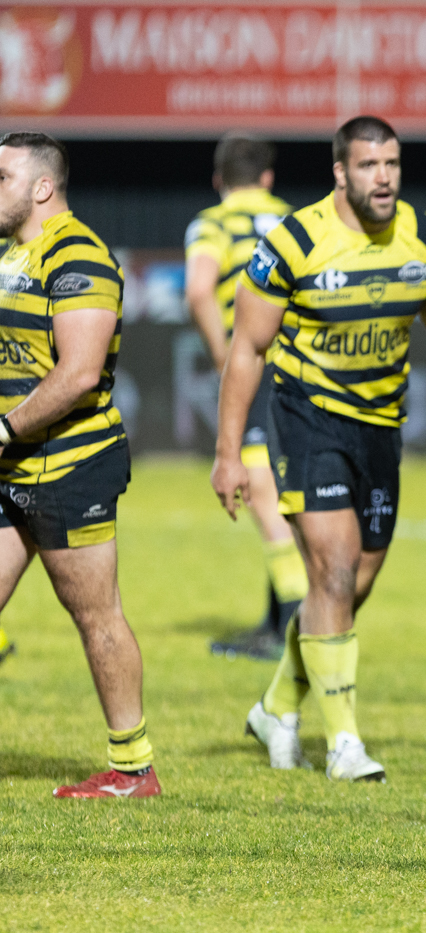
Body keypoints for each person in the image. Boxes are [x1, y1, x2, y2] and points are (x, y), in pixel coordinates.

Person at [212, 116, 426, 782]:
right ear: (340, 173)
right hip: (307, 416)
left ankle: (275, 706)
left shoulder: (424, 236)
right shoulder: (293, 242)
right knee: (335, 570)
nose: (383, 177)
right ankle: (345, 741)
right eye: (369, 165)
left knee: (352, 586)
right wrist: (229, 450)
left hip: (380, 425)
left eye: (392, 164)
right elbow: (248, 348)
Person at [0, 132, 160, 798]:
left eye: (1, 175)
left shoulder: (81, 257)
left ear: (42, 187)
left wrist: (4, 427)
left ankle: (133, 767)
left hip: (69, 465)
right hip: (11, 465)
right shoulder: (12, 253)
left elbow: (80, 373)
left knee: (96, 616)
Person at [185, 134, 306, 661]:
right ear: (267, 178)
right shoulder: (297, 220)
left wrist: (222, 354)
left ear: (218, 179)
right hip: (301, 365)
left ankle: (298, 623)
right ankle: (275, 624)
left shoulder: (212, 223)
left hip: (257, 364)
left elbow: (197, 289)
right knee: (286, 489)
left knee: (260, 493)